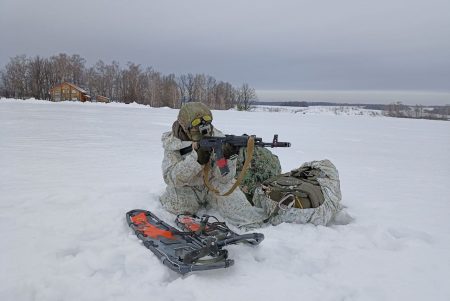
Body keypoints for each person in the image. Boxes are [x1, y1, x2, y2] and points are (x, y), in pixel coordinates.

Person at [159, 102, 269, 229]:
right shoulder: (174, 144)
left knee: (244, 213)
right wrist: (196, 160)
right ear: (185, 126)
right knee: (177, 209)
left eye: (207, 122)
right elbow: (170, 178)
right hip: (186, 188)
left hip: (212, 185)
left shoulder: (217, 137)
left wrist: (227, 157)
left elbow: (224, 179)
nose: (203, 127)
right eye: (196, 124)